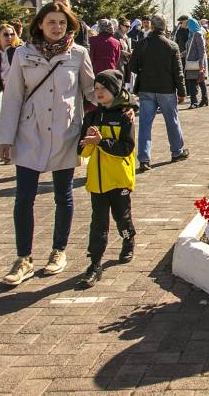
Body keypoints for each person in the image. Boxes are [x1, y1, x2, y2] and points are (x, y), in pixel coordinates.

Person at [0, 1, 96, 287]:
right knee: (24, 196)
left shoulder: (78, 54)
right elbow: (13, 96)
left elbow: (91, 90)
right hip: (31, 132)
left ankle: (58, 251)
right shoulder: (23, 54)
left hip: (65, 133)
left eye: (62, 23)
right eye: (51, 22)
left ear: (70, 26)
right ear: (40, 24)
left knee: (63, 194)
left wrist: (117, 104)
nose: (57, 27)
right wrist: (6, 137)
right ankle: (23, 258)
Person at [77, 69, 139, 288]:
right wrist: (85, 145)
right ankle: (95, 264)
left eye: (103, 88)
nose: (99, 92)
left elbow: (126, 148)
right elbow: (83, 148)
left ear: (114, 90)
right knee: (98, 223)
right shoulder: (93, 116)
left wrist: (101, 142)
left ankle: (128, 238)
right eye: (96, 89)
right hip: (97, 181)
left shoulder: (125, 116)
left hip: (119, 179)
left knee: (122, 217)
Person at [129, 13, 189, 172]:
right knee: (172, 121)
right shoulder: (171, 46)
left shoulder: (142, 44)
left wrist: (144, 69)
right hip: (166, 89)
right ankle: (177, 151)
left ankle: (144, 159)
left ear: (153, 26)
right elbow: (178, 72)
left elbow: (132, 66)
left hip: (146, 88)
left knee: (145, 125)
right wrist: (182, 91)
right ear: (165, 27)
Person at [0, 23, 22, 108]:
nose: (9, 37)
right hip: (5, 90)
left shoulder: (18, 50)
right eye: (6, 34)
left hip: (19, 91)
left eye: (12, 34)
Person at [184, 18, 209, 108]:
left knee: (196, 81)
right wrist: (180, 54)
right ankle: (203, 99)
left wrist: (201, 64)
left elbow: (201, 50)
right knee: (197, 81)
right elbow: (188, 50)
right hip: (191, 62)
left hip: (196, 63)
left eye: (188, 24)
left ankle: (194, 102)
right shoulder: (191, 35)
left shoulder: (198, 34)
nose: (187, 26)